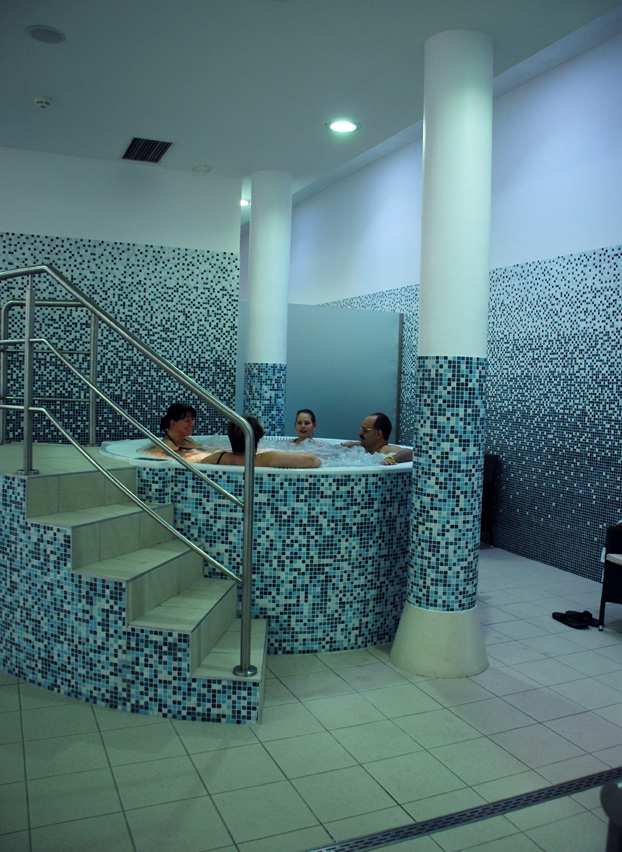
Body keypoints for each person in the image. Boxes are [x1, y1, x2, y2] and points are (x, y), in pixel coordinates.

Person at [201, 416, 321, 468]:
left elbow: (198, 462)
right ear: (257, 437)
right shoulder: (264, 459)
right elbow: (310, 460)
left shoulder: (219, 457)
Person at [342, 412, 413, 465]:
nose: (360, 433)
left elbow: (410, 453)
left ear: (378, 434)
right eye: (361, 429)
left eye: (365, 430)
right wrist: (350, 445)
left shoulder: (385, 449)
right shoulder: (364, 448)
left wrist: (390, 458)